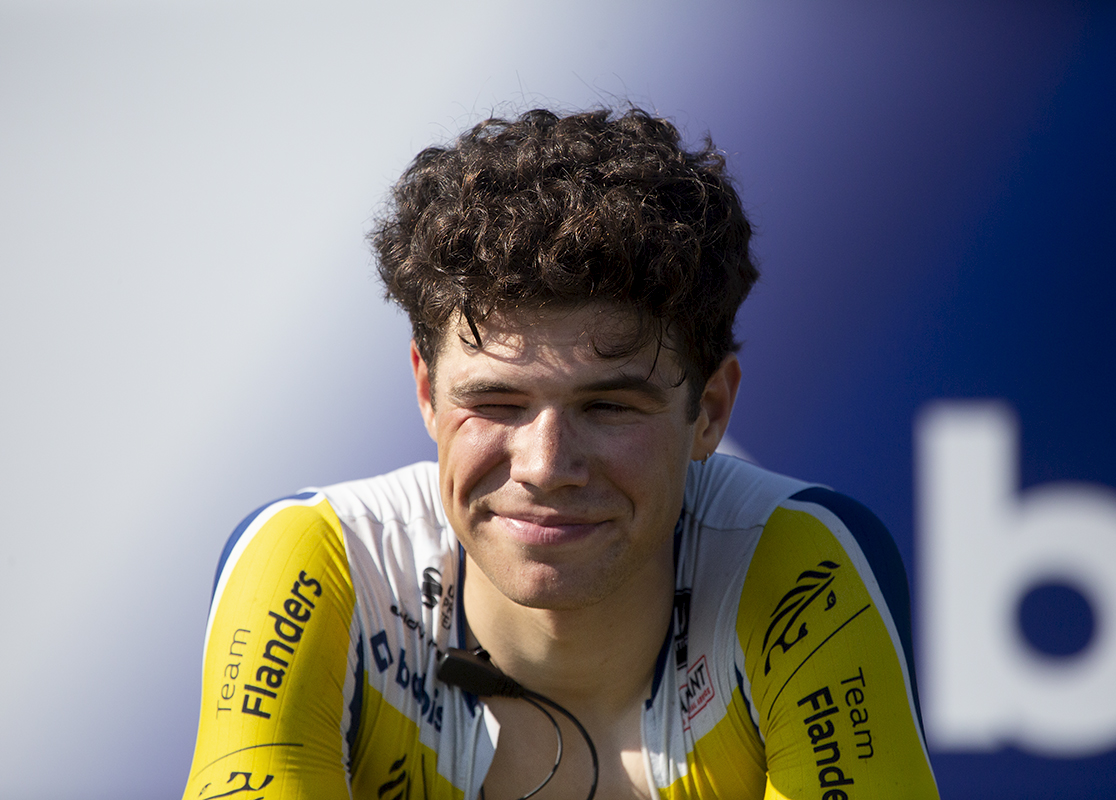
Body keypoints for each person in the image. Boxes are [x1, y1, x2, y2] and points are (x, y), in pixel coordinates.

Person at [180, 108, 940, 800]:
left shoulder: (799, 563)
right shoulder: (320, 561)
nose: (545, 465)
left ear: (708, 411)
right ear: (426, 391)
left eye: (608, 406)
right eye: (495, 404)